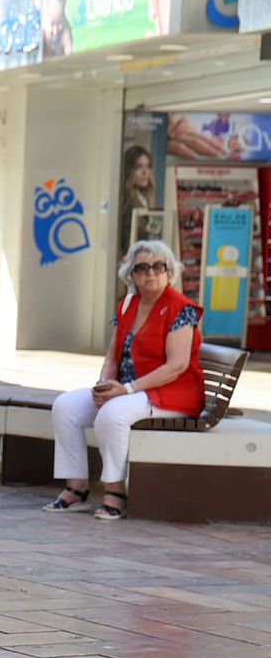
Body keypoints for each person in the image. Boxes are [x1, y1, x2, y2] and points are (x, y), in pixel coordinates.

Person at [43, 240, 202, 521]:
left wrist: (125, 390)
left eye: (158, 266)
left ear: (169, 272)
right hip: (127, 391)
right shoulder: (128, 304)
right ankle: (76, 488)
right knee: (65, 406)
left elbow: (177, 366)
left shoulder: (181, 308)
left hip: (170, 393)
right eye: (142, 267)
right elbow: (112, 357)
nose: (150, 273)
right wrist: (104, 384)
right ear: (131, 274)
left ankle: (115, 492)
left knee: (112, 414)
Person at [119, 145, 155, 254]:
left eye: (148, 166)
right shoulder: (125, 201)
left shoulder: (144, 198)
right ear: (129, 170)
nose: (145, 172)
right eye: (138, 167)